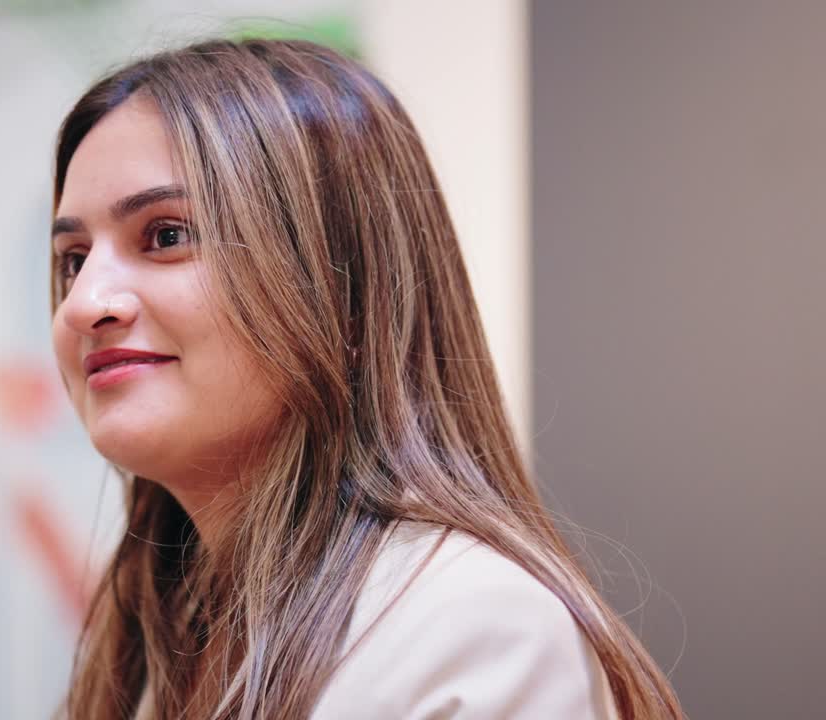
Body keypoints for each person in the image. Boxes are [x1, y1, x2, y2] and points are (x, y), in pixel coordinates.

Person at [47, 38, 683, 719]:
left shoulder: (475, 629)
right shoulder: (153, 644)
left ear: (340, 285)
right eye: (73, 259)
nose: (85, 303)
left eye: (167, 235)